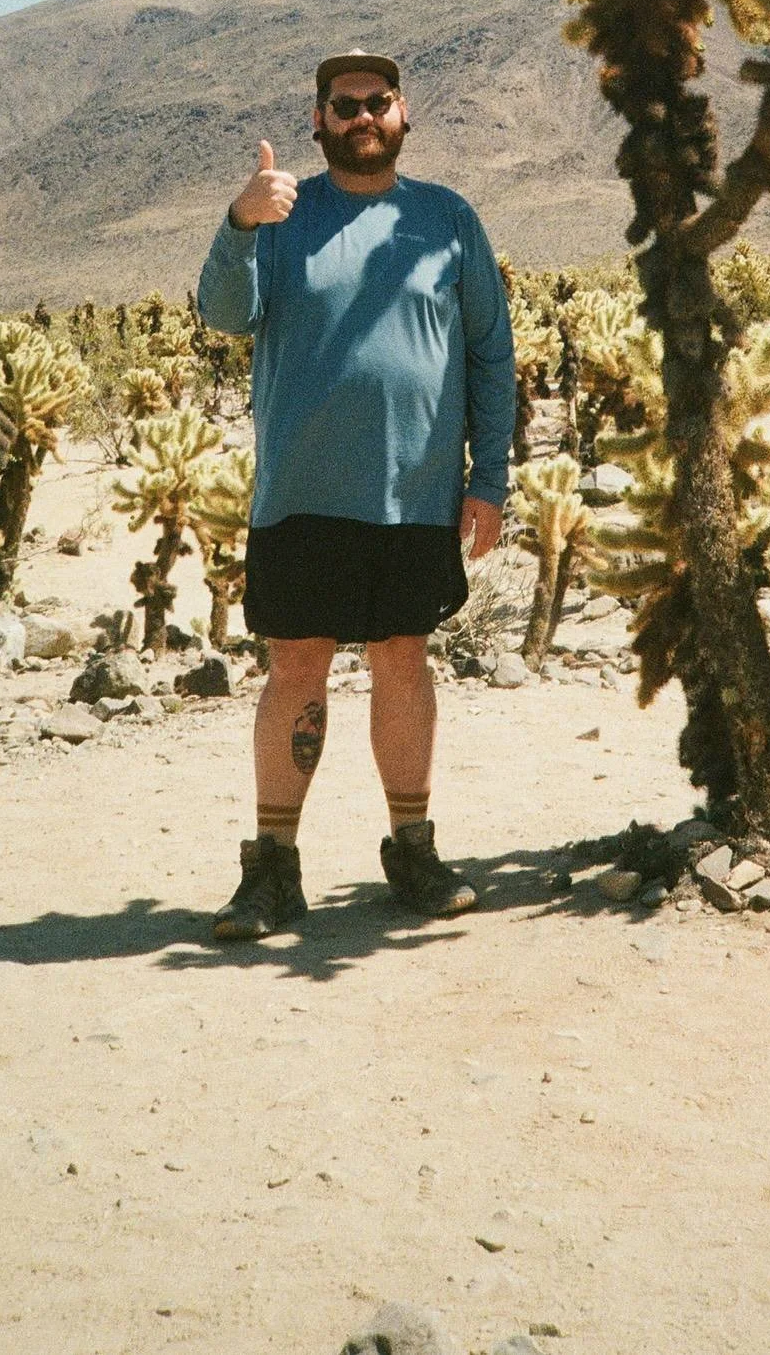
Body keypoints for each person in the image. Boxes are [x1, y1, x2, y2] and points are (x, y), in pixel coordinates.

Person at [196, 49, 516, 939]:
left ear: (404, 114)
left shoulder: (448, 219)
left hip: (415, 495)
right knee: (295, 667)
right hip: (301, 493)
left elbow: (492, 351)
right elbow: (220, 314)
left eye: (379, 101)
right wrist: (238, 221)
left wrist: (488, 477)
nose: (363, 116)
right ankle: (271, 870)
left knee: (403, 659)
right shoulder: (282, 218)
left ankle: (411, 850)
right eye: (345, 105)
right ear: (318, 121)